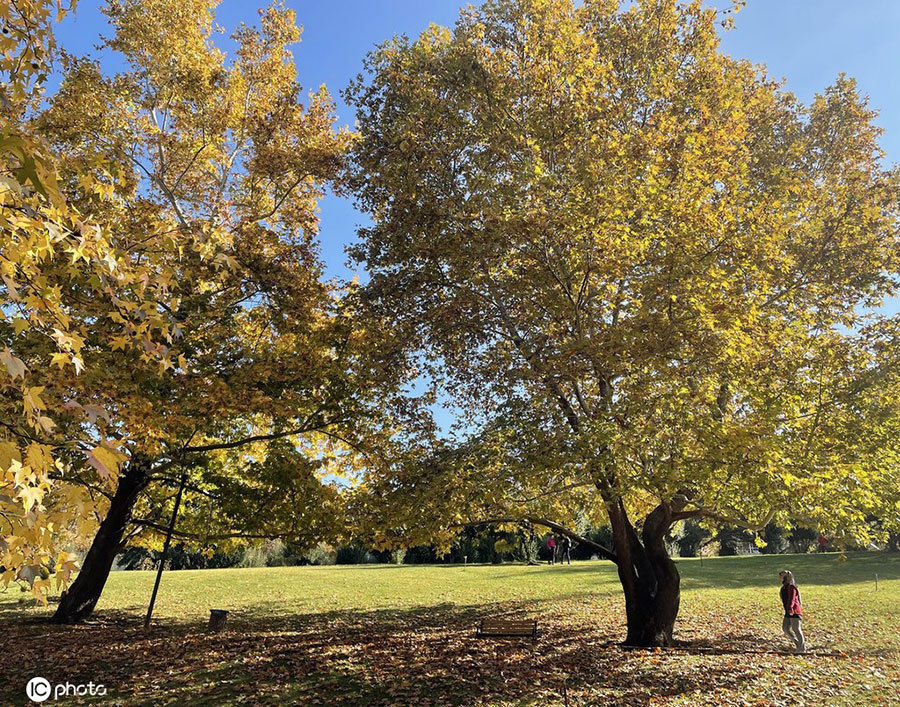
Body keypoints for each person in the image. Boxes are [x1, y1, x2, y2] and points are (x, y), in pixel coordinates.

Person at [779, 570, 806, 653]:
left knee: (796, 629)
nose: (780, 577)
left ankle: (802, 649)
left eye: (782, 576)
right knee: (785, 628)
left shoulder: (791, 587)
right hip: (788, 611)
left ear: (786, 577)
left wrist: (790, 608)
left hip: (794, 611)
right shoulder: (783, 587)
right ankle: (798, 644)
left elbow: (792, 598)